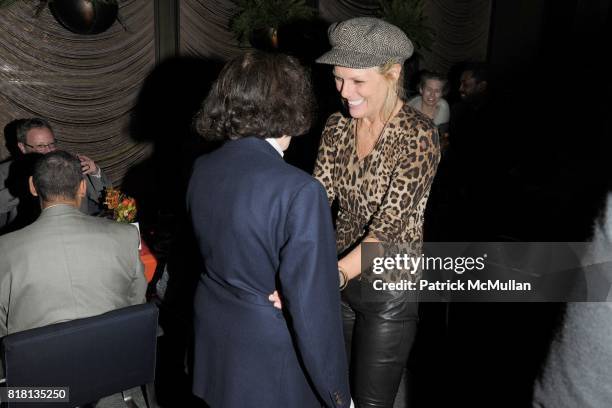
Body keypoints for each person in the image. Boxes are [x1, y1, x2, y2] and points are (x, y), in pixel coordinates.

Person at [188, 51, 351, 408]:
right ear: (292, 108)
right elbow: (313, 313)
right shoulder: (300, 190)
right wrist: (339, 395)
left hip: (215, 334)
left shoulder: (203, 168)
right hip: (268, 356)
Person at [314, 17, 440, 407]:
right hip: (339, 282)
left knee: (371, 403)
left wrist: (327, 277)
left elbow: (388, 230)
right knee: (337, 395)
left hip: (389, 290)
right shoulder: (336, 127)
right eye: (338, 78)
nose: (343, 91)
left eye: (357, 81)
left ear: (393, 73)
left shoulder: (418, 134)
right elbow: (316, 200)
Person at [0, 151, 146, 370]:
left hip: (38, 369)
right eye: (39, 145)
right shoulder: (126, 235)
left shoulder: (4, 248)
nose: (45, 149)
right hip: (114, 359)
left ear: (33, 186)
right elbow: (136, 302)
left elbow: (3, 324)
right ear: (82, 187)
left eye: (50, 144)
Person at [0, 118, 111, 230]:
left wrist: (95, 174)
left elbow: (111, 203)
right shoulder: (5, 171)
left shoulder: (71, 165)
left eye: (51, 144)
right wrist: (24, 185)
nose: (49, 151)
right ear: (22, 147)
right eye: (41, 146)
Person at [407, 71, 450, 140]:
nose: (432, 95)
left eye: (437, 91)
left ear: (442, 93)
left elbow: (439, 140)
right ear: (421, 90)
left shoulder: (443, 108)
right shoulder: (410, 106)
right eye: (429, 89)